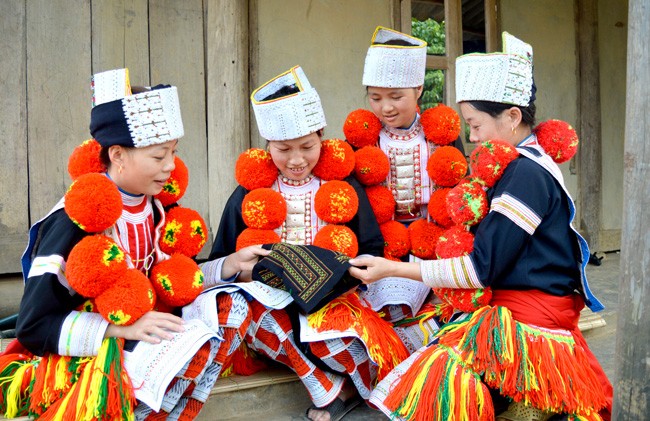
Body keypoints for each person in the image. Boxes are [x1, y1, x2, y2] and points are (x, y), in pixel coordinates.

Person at [349, 32, 612, 421]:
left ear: (512, 117)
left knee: (437, 382)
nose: (471, 138)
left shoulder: (525, 174)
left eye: (474, 125)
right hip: (522, 304)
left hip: (527, 315)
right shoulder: (525, 165)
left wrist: (393, 268)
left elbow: (479, 268)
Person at [1, 68, 221, 420]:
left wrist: (230, 265)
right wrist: (120, 329)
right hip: (95, 351)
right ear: (117, 155)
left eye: (173, 153)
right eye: (158, 156)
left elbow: (170, 274)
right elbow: (32, 326)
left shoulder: (159, 205)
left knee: (231, 316)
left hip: (149, 331)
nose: (170, 167)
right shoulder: (73, 222)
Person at [197, 65, 409, 421]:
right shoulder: (248, 195)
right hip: (272, 309)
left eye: (307, 147)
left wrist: (348, 279)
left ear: (322, 137)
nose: (296, 160)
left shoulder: (345, 187)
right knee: (248, 313)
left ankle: (345, 385)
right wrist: (246, 270)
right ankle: (324, 388)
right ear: (267, 147)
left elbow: (370, 247)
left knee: (351, 335)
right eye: (283, 149)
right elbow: (223, 258)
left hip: (336, 303)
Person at [350, 26, 468, 351]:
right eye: (375, 98)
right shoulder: (364, 139)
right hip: (381, 244)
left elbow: (456, 188)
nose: (385, 107)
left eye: (396, 97)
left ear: (418, 89)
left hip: (433, 239)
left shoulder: (439, 135)